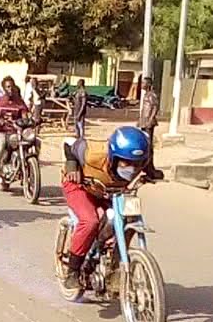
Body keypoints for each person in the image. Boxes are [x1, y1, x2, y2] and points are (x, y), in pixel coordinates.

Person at [59, 126, 158, 296]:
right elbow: (69, 143)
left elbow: (144, 162)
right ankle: (72, 271)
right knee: (90, 221)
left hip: (110, 190)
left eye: (137, 164)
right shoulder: (93, 153)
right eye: (125, 163)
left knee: (128, 219)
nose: (132, 169)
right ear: (113, 157)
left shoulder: (142, 157)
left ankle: (114, 269)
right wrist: (72, 165)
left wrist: (150, 172)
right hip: (81, 186)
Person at [0, 79, 31, 186]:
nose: (10, 89)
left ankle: (30, 168)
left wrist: (28, 121)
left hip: (16, 133)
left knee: (34, 142)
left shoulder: (20, 102)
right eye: (8, 87)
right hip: (2, 132)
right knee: (1, 142)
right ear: (3, 88)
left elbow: (25, 117)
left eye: (12, 86)